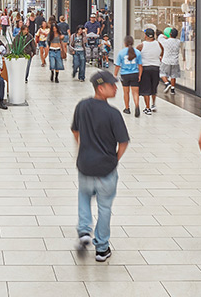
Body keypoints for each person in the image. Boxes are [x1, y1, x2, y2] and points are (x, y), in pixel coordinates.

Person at [72, 70, 129, 263]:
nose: (116, 88)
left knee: (84, 196)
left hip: (85, 164)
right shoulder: (113, 114)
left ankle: (84, 231)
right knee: (104, 207)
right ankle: (102, 248)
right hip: (106, 168)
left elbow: (75, 130)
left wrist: (83, 148)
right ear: (101, 88)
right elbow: (123, 142)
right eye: (112, 85)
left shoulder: (82, 106)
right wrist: (114, 159)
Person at [115, 35, 142, 118]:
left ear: (125, 43)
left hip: (125, 74)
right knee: (135, 92)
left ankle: (127, 108)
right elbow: (140, 65)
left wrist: (115, 74)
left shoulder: (121, 53)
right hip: (134, 74)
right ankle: (137, 106)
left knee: (126, 92)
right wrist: (140, 75)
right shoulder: (137, 52)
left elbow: (118, 65)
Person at [138, 28, 163, 113]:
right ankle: (153, 104)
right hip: (156, 68)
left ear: (146, 36)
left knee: (146, 89)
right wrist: (159, 58)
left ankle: (147, 108)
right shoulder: (159, 44)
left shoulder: (142, 45)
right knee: (153, 87)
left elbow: (135, 54)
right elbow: (162, 52)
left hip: (145, 68)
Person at [159, 27, 181, 93]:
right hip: (175, 61)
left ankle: (167, 83)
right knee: (173, 75)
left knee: (162, 73)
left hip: (166, 60)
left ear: (169, 34)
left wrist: (165, 36)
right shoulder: (178, 42)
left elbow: (160, 37)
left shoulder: (166, 42)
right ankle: (172, 89)